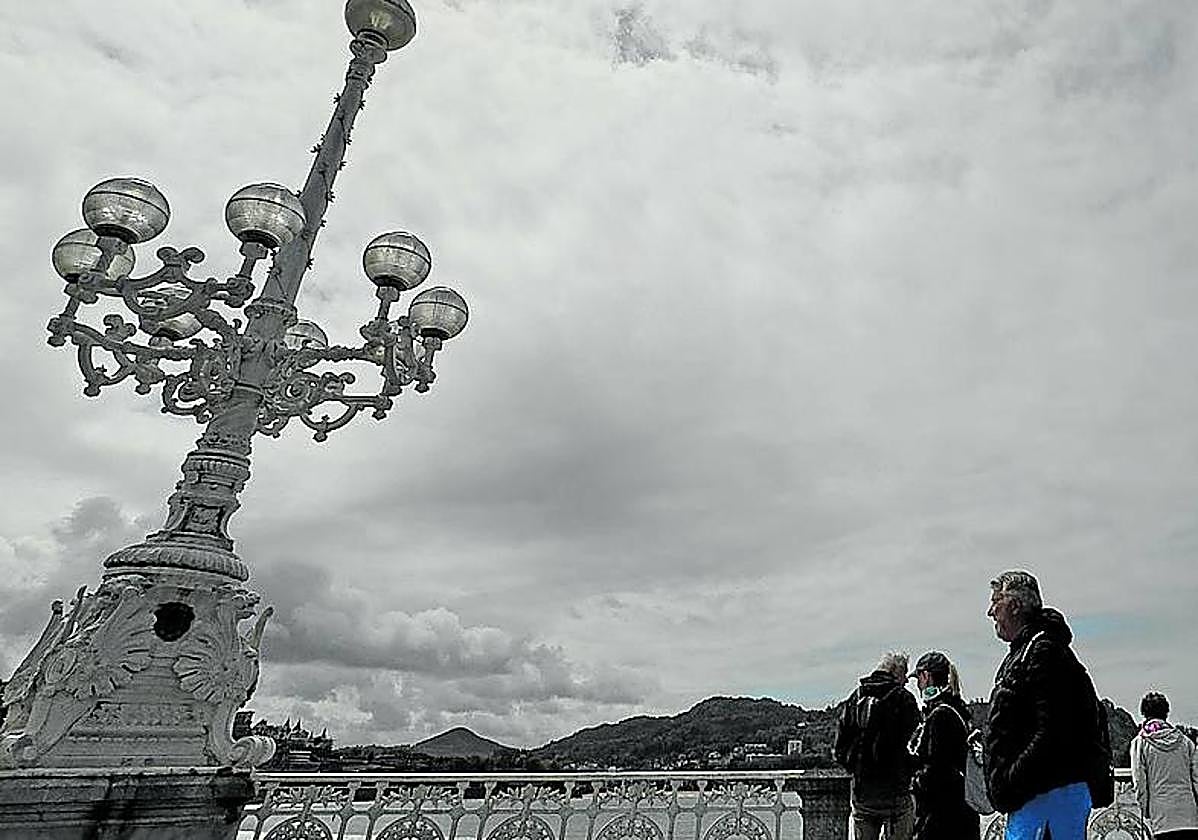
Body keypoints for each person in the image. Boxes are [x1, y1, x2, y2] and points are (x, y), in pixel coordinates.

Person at [984, 570, 1110, 840]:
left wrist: (1010, 782)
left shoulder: (1043, 652)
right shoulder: (1030, 651)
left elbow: (1054, 731)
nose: (990, 612)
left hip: (1046, 798)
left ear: (1015, 606)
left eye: (996, 602)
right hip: (1040, 799)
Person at [835, 651, 920, 840]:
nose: (906, 680)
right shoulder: (904, 699)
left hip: (863, 793)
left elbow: (840, 748)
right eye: (905, 674)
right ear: (895, 672)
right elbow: (916, 745)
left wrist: (857, 768)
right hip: (896, 794)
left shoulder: (855, 698)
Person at [908, 651, 980, 840]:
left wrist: (915, 782)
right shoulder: (959, 709)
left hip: (942, 816)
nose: (918, 685)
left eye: (919, 679)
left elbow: (935, 769)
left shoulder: (939, 715)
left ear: (925, 676)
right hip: (964, 809)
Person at [1129, 691, 1198, 839]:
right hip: (1189, 816)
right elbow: (1197, 780)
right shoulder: (1186, 742)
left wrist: (1146, 810)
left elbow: (1139, 782)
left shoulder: (1140, 743)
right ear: (1166, 713)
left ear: (1144, 713)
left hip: (1161, 816)